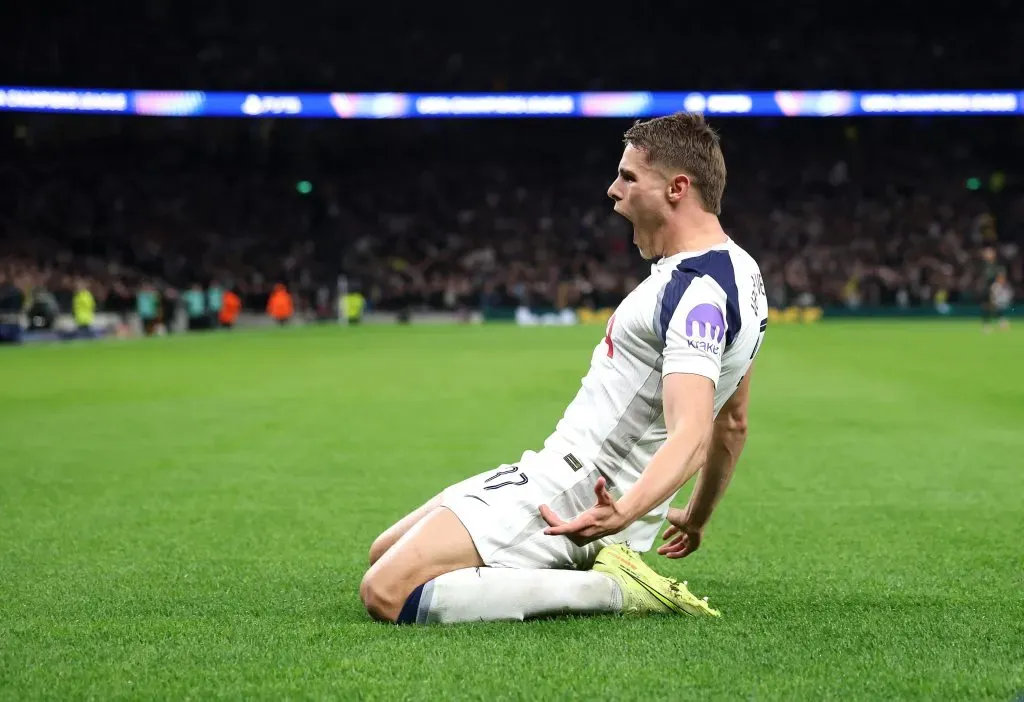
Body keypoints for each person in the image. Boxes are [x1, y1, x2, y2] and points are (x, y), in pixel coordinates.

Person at [360, 112, 768, 625]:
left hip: (579, 490)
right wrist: (698, 517)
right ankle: (596, 564)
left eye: (629, 177)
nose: (612, 190)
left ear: (677, 189)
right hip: (558, 471)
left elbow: (693, 434)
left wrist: (623, 512)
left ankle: (609, 588)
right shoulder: (745, 275)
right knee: (384, 552)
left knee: (386, 592)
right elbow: (732, 422)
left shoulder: (694, 292)